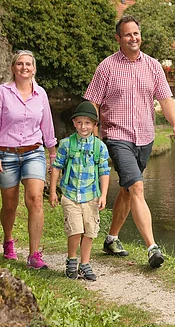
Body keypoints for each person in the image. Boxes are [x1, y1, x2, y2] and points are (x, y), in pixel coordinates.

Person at [84, 15, 175, 268]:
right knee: (137, 187)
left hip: (145, 137)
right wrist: (92, 132)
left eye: (136, 33)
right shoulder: (106, 67)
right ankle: (152, 248)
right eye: (127, 34)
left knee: (129, 191)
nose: (133, 38)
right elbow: (92, 102)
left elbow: (165, 98)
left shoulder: (153, 66)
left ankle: (111, 238)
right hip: (116, 136)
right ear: (118, 38)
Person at [0, 50, 57, 269]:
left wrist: (52, 155)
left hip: (34, 151)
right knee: (10, 204)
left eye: (29, 64)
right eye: (20, 64)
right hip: (6, 153)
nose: (25, 67)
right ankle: (8, 241)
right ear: (13, 68)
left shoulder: (40, 94)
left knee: (35, 199)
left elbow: (47, 125)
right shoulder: (3, 92)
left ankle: (34, 254)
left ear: (34, 69)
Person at [48, 101, 110, 281]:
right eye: (80, 122)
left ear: (94, 125)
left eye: (88, 122)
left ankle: (85, 264)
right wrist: (53, 191)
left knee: (89, 231)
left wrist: (104, 194)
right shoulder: (67, 145)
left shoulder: (100, 147)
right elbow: (57, 167)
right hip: (70, 195)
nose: (84, 126)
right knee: (75, 230)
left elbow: (104, 172)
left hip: (91, 196)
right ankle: (72, 260)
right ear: (74, 123)